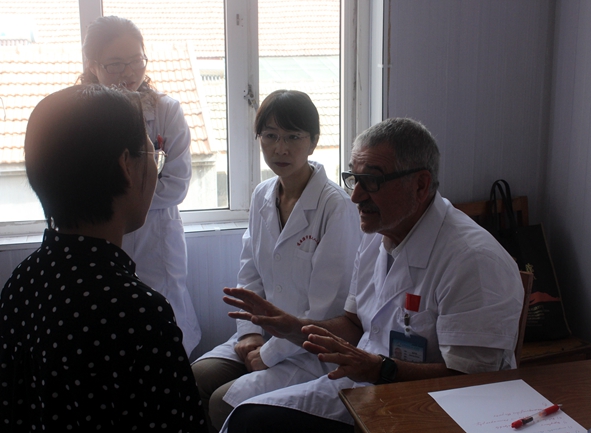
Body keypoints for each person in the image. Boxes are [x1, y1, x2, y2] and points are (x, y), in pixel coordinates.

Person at [219, 117, 525, 432]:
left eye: (373, 181)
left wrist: (381, 369)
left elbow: (473, 381)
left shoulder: (472, 261)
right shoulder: (377, 233)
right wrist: (292, 327)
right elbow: (354, 324)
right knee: (246, 418)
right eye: (354, 178)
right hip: (366, 388)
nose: (356, 196)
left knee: (253, 424)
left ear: (420, 185)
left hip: (431, 410)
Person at [0, 84, 206, 432]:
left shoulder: (22, 282)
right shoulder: (140, 313)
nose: (155, 167)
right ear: (126, 166)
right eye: (152, 154)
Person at [191, 90, 361, 432]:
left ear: (313, 142)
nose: (280, 148)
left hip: (309, 350)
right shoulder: (262, 194)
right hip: (264, 338)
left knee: (222, 401)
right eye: (270, 136)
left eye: (293, 137)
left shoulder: (335, 206)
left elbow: (327, 309)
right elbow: (250, 272)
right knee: (194, 377)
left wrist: (269, 354)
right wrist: (250, 334)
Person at [78, 15, 200, 356]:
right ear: (92, 66)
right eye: (115, 64)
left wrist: (113, 196)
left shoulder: (166, 111)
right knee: (111, 336)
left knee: (166, 332)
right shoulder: (80, 116)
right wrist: (136, 190)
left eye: (136, 60)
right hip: (98, 242)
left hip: (155, 241)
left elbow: (176, 186)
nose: (129, 72)